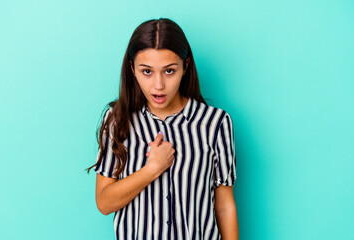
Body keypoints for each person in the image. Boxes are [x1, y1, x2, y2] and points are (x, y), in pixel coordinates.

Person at [86, 17, 239, 240]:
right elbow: (104, 202)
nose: (158, 85)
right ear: (133, 69)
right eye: (147, 71)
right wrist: (152, 169)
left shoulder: (216, 124)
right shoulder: (117, 121)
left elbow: (224, 206)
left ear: (185, 66)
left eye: (169, 71)